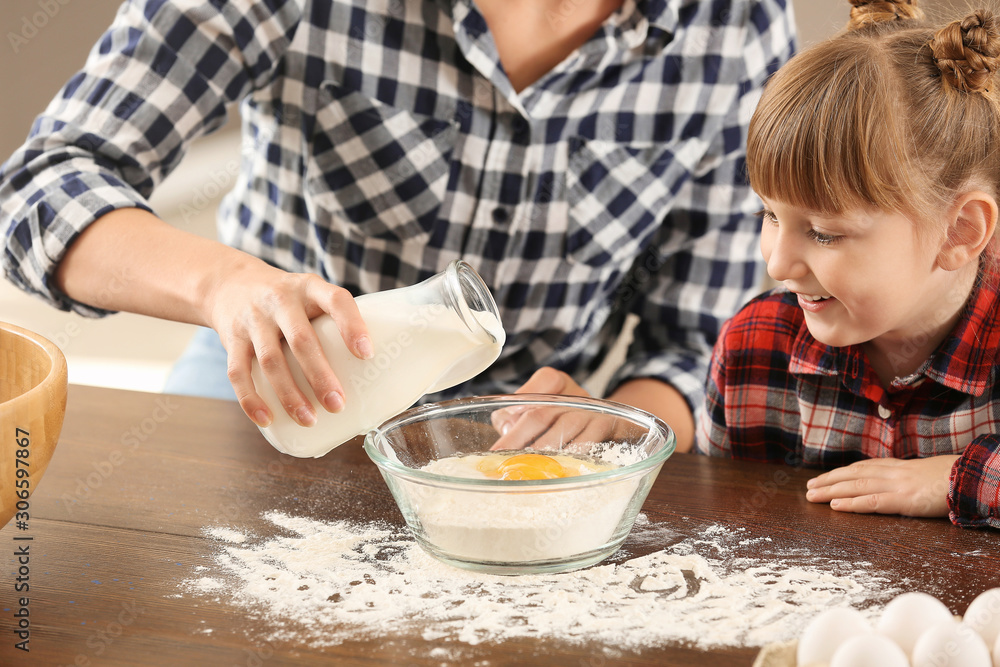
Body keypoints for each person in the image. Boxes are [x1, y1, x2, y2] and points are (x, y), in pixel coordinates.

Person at [0, 0, 796, 454]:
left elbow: (694, 345)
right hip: (276, 381)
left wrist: (615, 422)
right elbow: (42, 186)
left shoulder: (736, 26)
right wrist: (224, 284)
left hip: (522, 427)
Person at [696, 0, 1000, 528]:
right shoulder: (754, 347)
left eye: (824, 233)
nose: (778, 264)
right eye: (768, 214)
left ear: (960, 231)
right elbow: (717, 523)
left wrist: (955, 480)